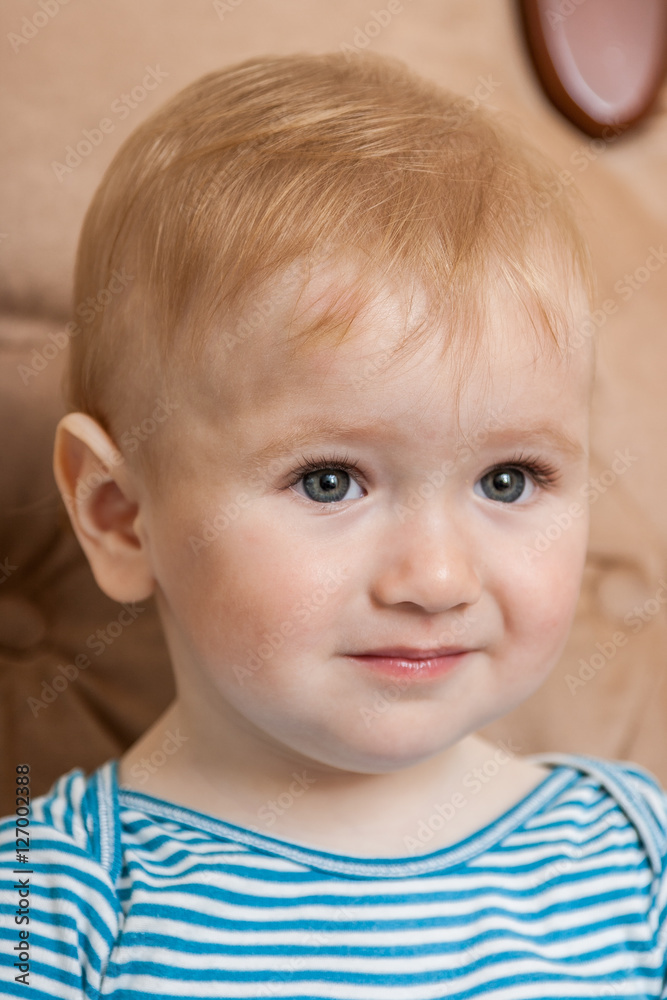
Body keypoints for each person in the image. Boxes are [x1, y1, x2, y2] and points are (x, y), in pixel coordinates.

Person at [2, 51, 666, 999]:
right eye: (327, 482)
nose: (435, 579)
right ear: (120, 516)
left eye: (509, 479)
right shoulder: (50, 902)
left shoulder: (634, 856)